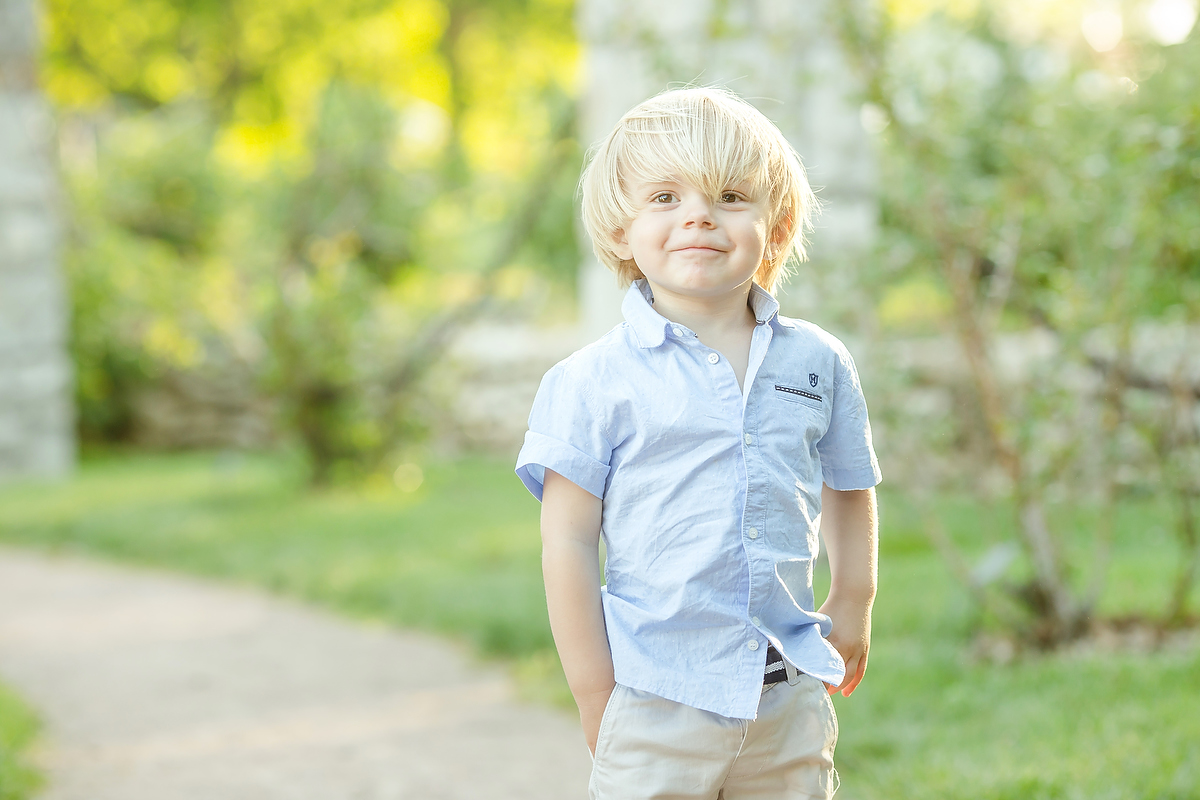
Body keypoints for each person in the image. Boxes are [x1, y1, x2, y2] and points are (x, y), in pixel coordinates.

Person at [515, 86, 881, 799]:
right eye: (664, 198)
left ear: (775, 230)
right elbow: (565, 543)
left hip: (786, 697)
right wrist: (595, 693)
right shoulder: (592, 382)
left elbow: (849, 480)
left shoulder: (817, 362)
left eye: (731, 196)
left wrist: (855, 598)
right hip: (654, 697)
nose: (698, 217)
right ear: (621, 231)